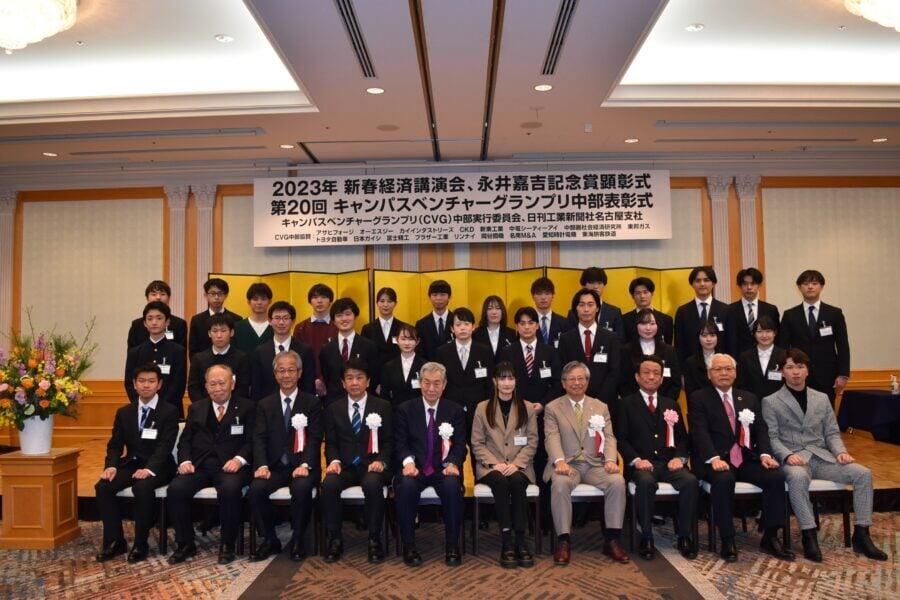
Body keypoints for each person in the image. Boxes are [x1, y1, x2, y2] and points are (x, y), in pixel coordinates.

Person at [762, 349, 887, 562]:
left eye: (800, 367)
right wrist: (787, 455)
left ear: (807, 371)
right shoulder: (771, 401)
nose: (795, 372)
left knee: (863, 474)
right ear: (782, 372)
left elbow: (831, 433)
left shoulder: (821, 398)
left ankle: (862, 534)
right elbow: (772, 437)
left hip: (821, 457)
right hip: (793, 459)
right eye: (790, 367)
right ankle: (809, 535)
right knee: (798, 477)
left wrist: (841, 452)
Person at [688, 353, 793, 562]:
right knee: (724, 479)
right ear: (709, 374)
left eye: (728, 369)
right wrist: (713, 458)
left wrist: (765, 454)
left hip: (746, 459)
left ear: (735, 373)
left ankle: (771, 535)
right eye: (718, 369)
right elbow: (700, 432)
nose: (724, 373)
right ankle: (727, 538)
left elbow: (761, 429)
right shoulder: (699, 398)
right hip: (716, 461)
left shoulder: (748, 397)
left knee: (776, 476)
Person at [166, 364, 254, 565]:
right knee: (176, 489)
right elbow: (185, 441)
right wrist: (185, 461)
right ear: (206, 386)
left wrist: (239, 460)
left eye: (222, 383)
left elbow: (253, 441)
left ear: (232, 384)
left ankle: (227, 544)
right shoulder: (196, 408)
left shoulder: (248, 407)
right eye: (212, 384)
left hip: (232, 466)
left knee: (230, 489)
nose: (218, 388)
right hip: (200, 465)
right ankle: (185, 543)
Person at [545, 361, 628, 565]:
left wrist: (610, 460)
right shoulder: (553, 407)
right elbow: (551, 437)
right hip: (568, 465)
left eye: (581, 378)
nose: (576, 383)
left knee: (617, 482)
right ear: (563, 383)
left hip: (595, 464)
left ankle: (612, 539)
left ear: (587, 382)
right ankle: (563, 541)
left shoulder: (600, 406)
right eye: (571, 379)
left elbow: (609, 437)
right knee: (560, 484)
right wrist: (559, 461)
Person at [615, 356, 697, 560]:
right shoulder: (625, 404)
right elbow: (621, 439)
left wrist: (680, 458)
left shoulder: (672, 404)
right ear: (637, 377)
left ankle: (685, 536)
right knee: (645, 483)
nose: (651, 377)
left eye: (656, 373)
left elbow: (683, 439)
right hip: (641, 465)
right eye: (646, 373)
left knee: (690, 481)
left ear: (661, 378)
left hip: (669, 464)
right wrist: (636, 460)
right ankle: (646, 537)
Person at [94, 363, 178, 563]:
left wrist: (149, 469)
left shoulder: (169, 411)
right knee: (103, 486)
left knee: (142, 487)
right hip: (132, 464)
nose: (146, 385)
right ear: (134, 384)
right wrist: (111, 466)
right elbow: (115, 445)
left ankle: (141, 543)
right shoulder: (125, 412)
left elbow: (165, 446)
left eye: (151, 381)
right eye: (141, 381)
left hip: (159, 466)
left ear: (159, 384)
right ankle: (115, 541)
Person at [248, 350, 323, 562]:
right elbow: (259, 438)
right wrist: (262, 465)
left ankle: (298, 539)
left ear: (299, 373)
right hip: (273, 467)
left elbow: (315, 438)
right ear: (275, 374)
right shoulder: (264, 404)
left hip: (302, 466)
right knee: (256, 489)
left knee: (301, 488)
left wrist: (305, 464)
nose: (286, 375)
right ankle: (270, 539)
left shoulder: (312, 403)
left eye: (291, 370)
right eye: (281, 370)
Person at [393, 362, 467, 567]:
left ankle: (452, 545)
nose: (431, 388)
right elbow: (400, 443)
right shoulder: (405, 409)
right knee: (406, 486)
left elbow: (460, 445)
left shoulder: (455, 410)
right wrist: (408, 462)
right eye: (427, 383)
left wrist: (453, 463)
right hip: (416, 468)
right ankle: (409, 546)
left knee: (452, 487)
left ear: (444, 385)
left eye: (437, 383)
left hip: (443, 469)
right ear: (420, 383)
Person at [321, 359, 393, 563]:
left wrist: (381, 461)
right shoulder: (333, 408)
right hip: (345, 466)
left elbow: (389, 442)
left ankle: (374, 538)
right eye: (350, 378)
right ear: (343, 383)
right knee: (329, 484)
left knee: (372, 483)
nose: (354, 382)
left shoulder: (383, 406)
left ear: (368, 381)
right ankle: (335, 538)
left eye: (359, 378)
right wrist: (334, 461)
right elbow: (331, 442)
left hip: (372, 465)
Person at [470, 362, 538, 568]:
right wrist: (494, 463)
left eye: (510, 378)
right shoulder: (482, 408)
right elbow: (477, 443)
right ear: (495, 381)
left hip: (520, 466)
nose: (506, 383)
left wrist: (517, 464)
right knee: (500, 482)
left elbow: (532, 441)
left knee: (517, 482)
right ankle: (507, 541)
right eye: (502, 378)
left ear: (516, 381)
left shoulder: (527, 407)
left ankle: (521, 540)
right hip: (491, 467)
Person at [779, 270, 850, 405]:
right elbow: (783, 347)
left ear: (821, 286)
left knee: (825, 411)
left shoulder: (834, 313)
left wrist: (843, 374)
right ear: (799, 287)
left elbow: (843, 345)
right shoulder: (790, 315)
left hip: (827, 375)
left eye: (814, 283)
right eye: (806, 284)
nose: (810, 287)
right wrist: (785, 372)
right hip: (797, 375)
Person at [557, 288, 620, 418]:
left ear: (597, 308)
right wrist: (579, 397)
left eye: (590, 305)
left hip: (605, 403)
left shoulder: (610, 337)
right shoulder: (565, 339)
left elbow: (614, 372)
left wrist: (598, 401)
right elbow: (563, 371)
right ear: (576, 309)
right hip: (574, 402)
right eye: (582, 305)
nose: (586, 309)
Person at [434, 307, 494, 434]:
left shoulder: (485, 351)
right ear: (452, 328)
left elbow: (489, 383)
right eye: (458, 324)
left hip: (478, 409)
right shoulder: (442, 352)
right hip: (451, 408)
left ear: (473, 327)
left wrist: (488, 407)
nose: (462, 328)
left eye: (466, 324)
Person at [124, 301, 187, 419]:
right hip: (141, 410)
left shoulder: (178, 351)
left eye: (159, 318)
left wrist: (160, 407)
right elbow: (129, 383)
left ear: (167, 322)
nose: (154, 322)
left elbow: (178, 385)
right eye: (150, 318)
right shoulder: (135, 352)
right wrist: (144, 404)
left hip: (170, 411)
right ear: (145, 323)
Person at [248, 301, 316, 401]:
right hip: (267, 406)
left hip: (298, 406)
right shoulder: (259, 352)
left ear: (293, 321)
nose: (281, 322)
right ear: (270, 321)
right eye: (277, 318)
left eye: (285, 318)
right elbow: (256, 387)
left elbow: (308, 385)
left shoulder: (305, 351)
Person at [319, 297, 379, 404]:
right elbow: (327, 378)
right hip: (335, 405)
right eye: (339, 315)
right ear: (334, 321)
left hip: (363, 403)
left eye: (347, 314)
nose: (344, 319)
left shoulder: (369, 346)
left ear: (355, 316)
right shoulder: (326, 349)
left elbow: (373, 377)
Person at [618, 308, 681, 402]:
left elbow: (675, 382)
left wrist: (665, 402)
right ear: (636, 326)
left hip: (664, 403)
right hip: (633, 403)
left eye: (652, 323)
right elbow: (622, 382)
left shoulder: (669, 350)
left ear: (658, 325)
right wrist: (634, 402)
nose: (648, 328)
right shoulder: (626, 350)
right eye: (643, 323)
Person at [186, 313, 249, 403]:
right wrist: (208, 407)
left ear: (231, 332)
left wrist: (227, 406)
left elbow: (243, 388)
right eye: (215, 331)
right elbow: (193, 388)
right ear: (209, 333)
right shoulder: (198, 359)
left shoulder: (242, 358)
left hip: (234, 407)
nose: (219, 335)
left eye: (223, 331)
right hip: (205, 408)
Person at [292, 283, 339, 397]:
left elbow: (338, 358)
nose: (319, 301)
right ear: (310, 301)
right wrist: (313, 380)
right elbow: (297, 358)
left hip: (334, 383)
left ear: (330, 301)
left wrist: (322, 380)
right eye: (315, 297)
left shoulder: (338, 326)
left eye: (324, 297)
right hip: (305, 383)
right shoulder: (301, 327)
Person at [674, 266, 728, 364]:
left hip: (720, 365)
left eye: (706, 280)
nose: (702, 284)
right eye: (698, 281)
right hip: (691, 366)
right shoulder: (683, 312)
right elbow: (679, 345)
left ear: (713, 283)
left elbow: (730, 341)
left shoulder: (725, 309)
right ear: (692, 284)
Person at [725, 268, 780, 358]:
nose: (749, 287)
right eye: (745, 284)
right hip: (738, 359)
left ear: (759, 285)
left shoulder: (771, 310)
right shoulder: (729, 310)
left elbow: (777, 338)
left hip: (766, 358)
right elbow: (728, 339)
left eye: (753, 284)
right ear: (739, 286)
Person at [565, 267, 625, 342]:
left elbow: (620, 341)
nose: (596, 287)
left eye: (599, 283)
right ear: (583, 285)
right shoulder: (573, 313)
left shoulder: (614, 312)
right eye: (591, 282)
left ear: (604, 285)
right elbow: (568, 340)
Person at [126, 280, 188, 350]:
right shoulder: (137, 325)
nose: (158, 297)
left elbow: (181, 352)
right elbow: (132, 352)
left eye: (162, 294)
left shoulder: (179, 324)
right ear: (147, 298)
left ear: (169, 298)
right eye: (154, 294)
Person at [736, 316, 786, 400]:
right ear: (754, 334)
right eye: (759, 331)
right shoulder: (745, 357)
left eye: (768, 331)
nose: (764, 335)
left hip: (778, 402)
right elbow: (741, 384)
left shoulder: (784, 355)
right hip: (751, 402)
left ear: (774, 333)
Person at [360, 286, 407, 376]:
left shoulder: (403, 328)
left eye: (389, 301)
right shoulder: (367, 329)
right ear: (377, 303)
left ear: (395, 303)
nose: (385, 305)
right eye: (382, 301)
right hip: (374, 376)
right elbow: (364, 356)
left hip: (398, 374)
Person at [188, 278, 240, 356]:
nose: (216, 297)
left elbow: (238, 347)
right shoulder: (197, 320)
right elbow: (193, 350)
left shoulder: (236, 319)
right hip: (204, 362)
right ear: (205, 295)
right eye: (212, 293)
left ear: (226, 295)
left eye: (220, 293)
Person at [380, 324, 427, 406]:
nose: (407, 343)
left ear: (417, 341)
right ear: (397, 340)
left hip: (418, 409)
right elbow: (384, 395)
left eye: (411, 339)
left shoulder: (425, 365)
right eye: (403, 339)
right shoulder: (388, 366)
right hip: (395, 410)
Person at [623, 277, 673, 345]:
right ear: (632, 296)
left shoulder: (666, 320)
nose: (642, 296)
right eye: (638, 293)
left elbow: (668, 346)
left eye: (645, 292)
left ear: (652, 293)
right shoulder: (624, 320)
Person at [414, 279, 454, 360]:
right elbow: (419, 353)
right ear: (429, 297)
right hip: (429, 367)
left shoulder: (456, 322)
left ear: (449, 297)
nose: (438, 298)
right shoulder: (421, 324)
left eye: (442, 294)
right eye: (434, 295)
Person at [682, 321, 721, 397]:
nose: (708, 339)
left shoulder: (725, 360)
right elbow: (690, 392)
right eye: (704, 336)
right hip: (698, 402)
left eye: (712, 335)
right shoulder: (690, 362)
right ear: (698, 338)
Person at [232, 282, 274, 354]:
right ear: (249, 302)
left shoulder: (276, 326)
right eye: (255, 299)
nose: (259, 302)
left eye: (263, 299)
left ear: (270, 301)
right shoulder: (237, 327)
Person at [473, 295, 517, 361]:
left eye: (497, 308)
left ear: (502, 311)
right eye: (490, 308)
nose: (494, 312)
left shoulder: (511, 333)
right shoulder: (476, 334)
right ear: (485, 312)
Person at [530, 276, 570, 348]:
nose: (543, 297)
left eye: (547, 293)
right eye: (539, 294)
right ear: (533, 296)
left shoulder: (564, 323)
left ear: (553, 296)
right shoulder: (527, 323)